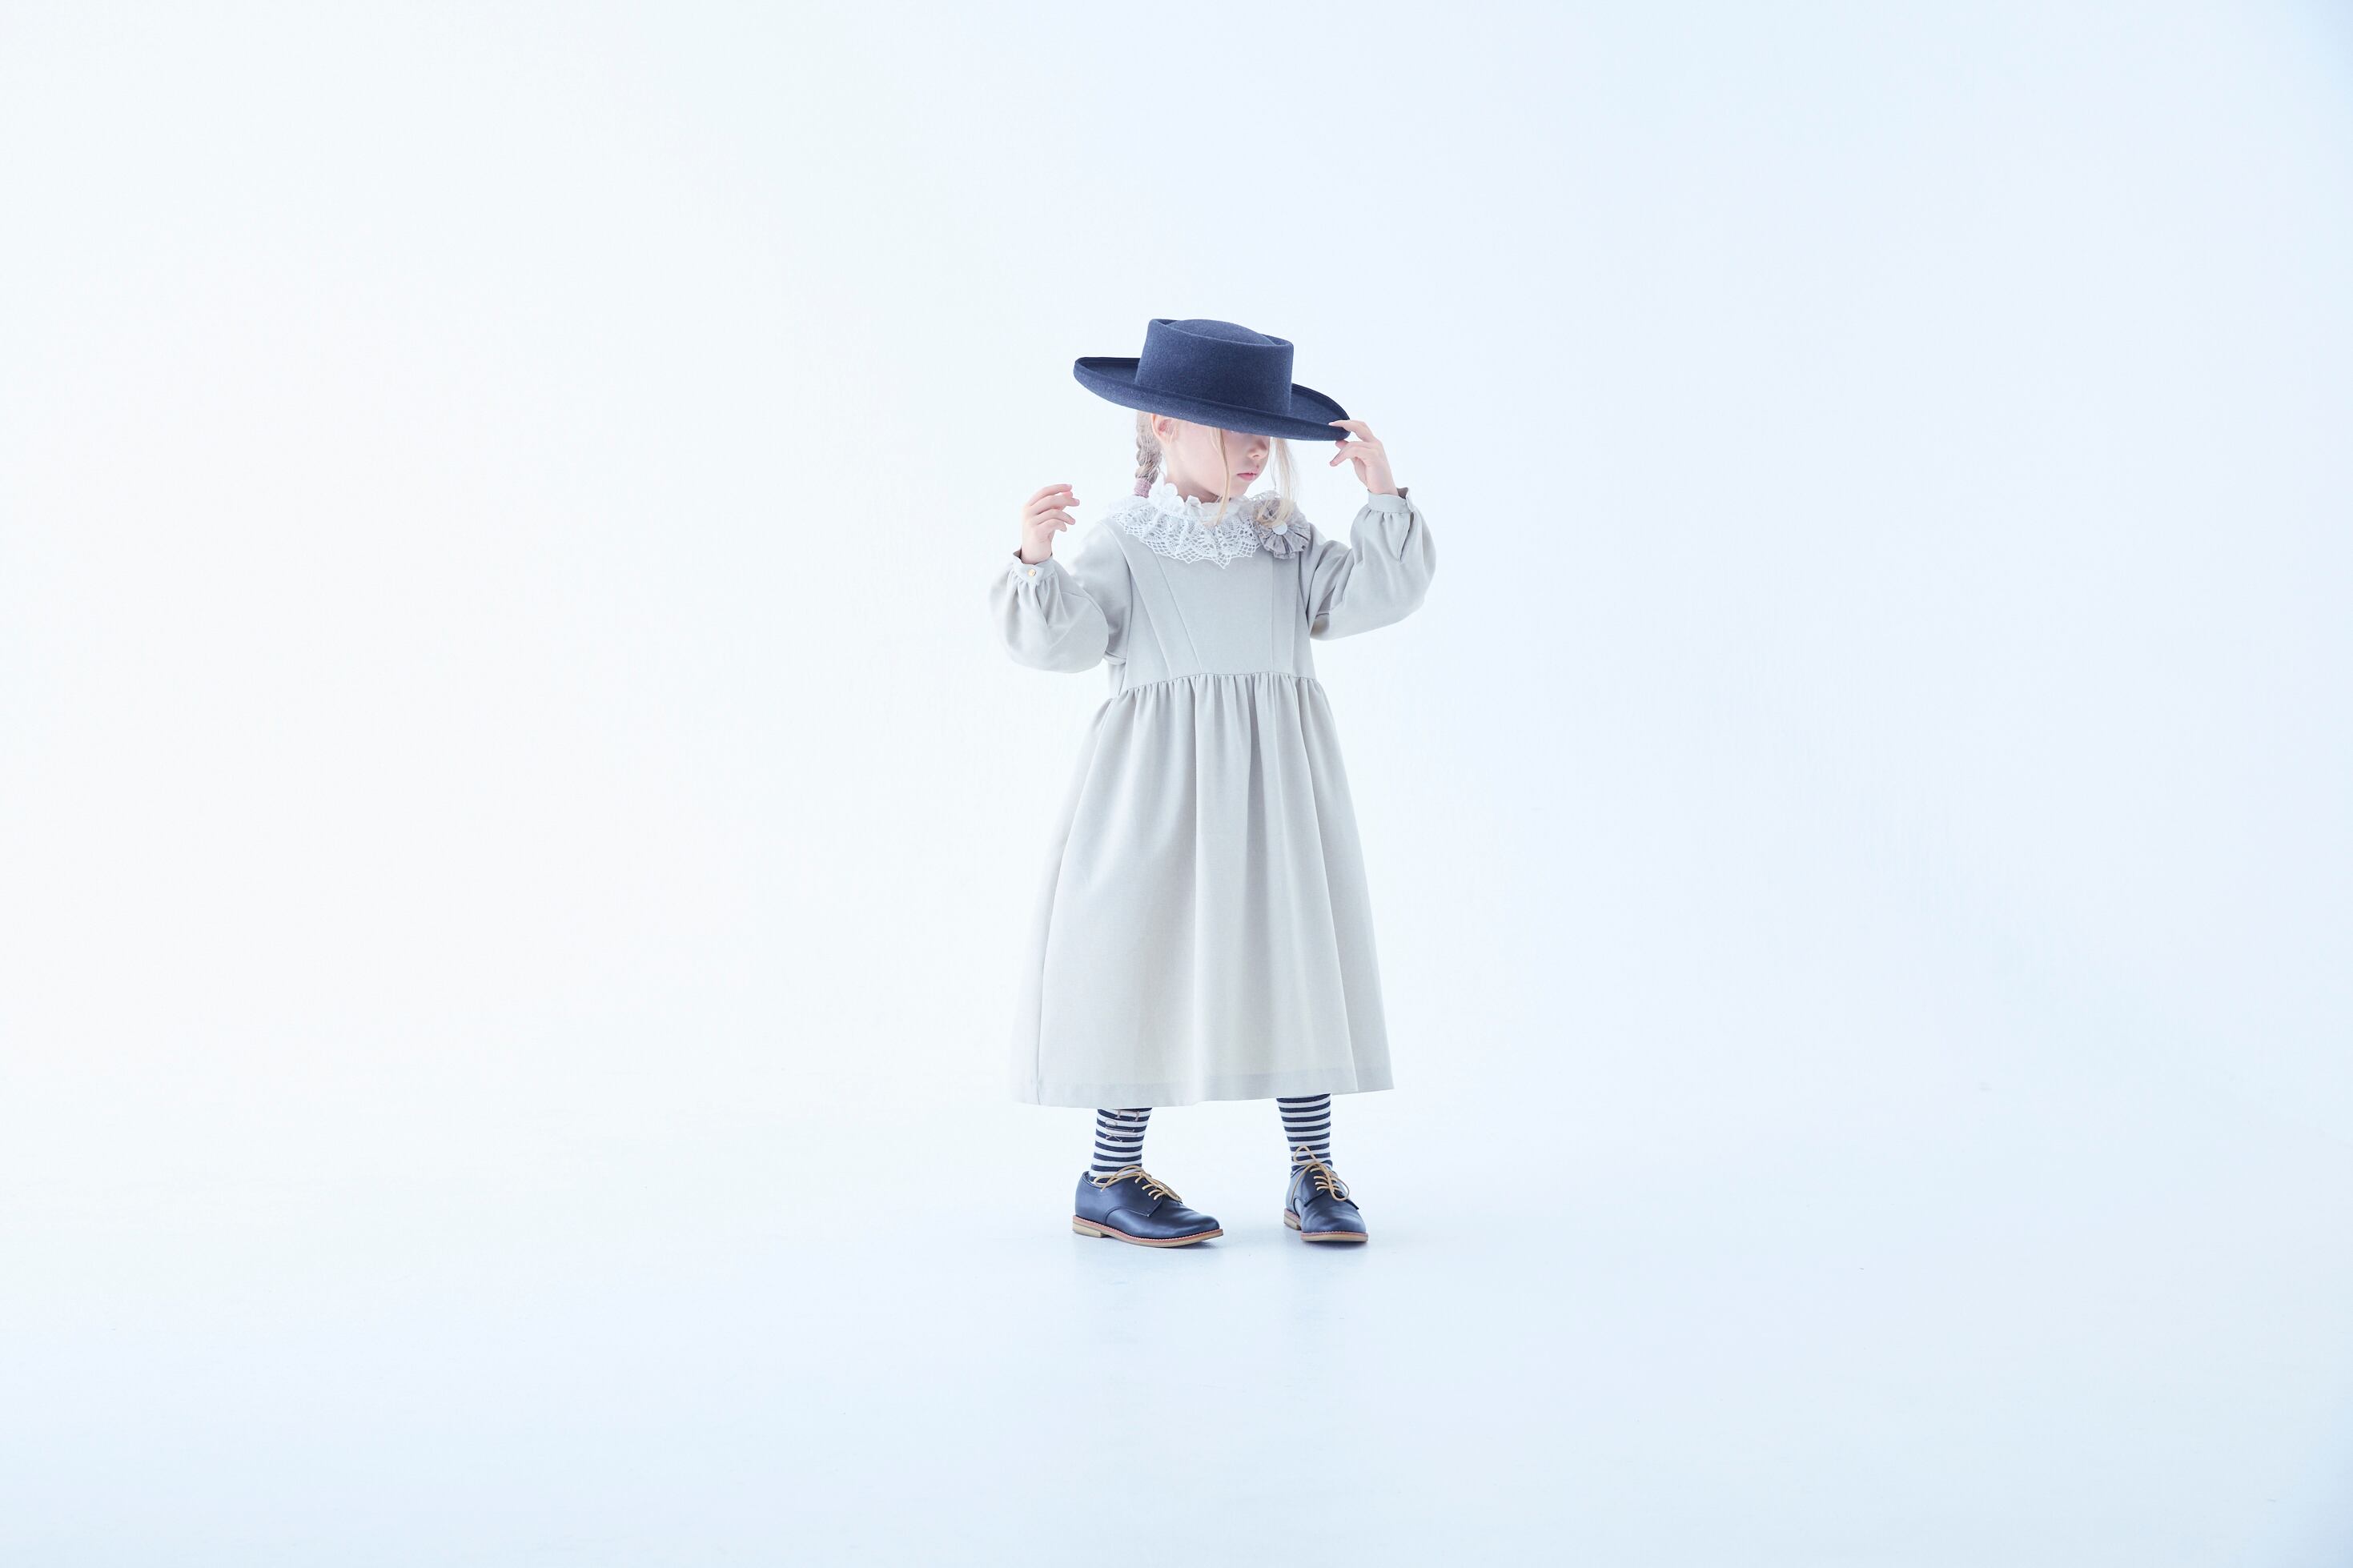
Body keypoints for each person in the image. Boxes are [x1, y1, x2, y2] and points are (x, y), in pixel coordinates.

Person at [988, 317, 1438, 1247]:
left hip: (1275, 790)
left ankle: (1311, 1170)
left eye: (1264, 431)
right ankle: (1109, 1175)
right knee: (1139, 957)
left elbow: (1374, 595)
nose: (1256, 449)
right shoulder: (1127, 540)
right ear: (1163, 425)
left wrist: (1383, 496)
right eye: (1234, 428)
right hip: (1158, 792)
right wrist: (1033, 560)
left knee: (1289, 953)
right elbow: (1067, 641)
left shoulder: (1283, 539)